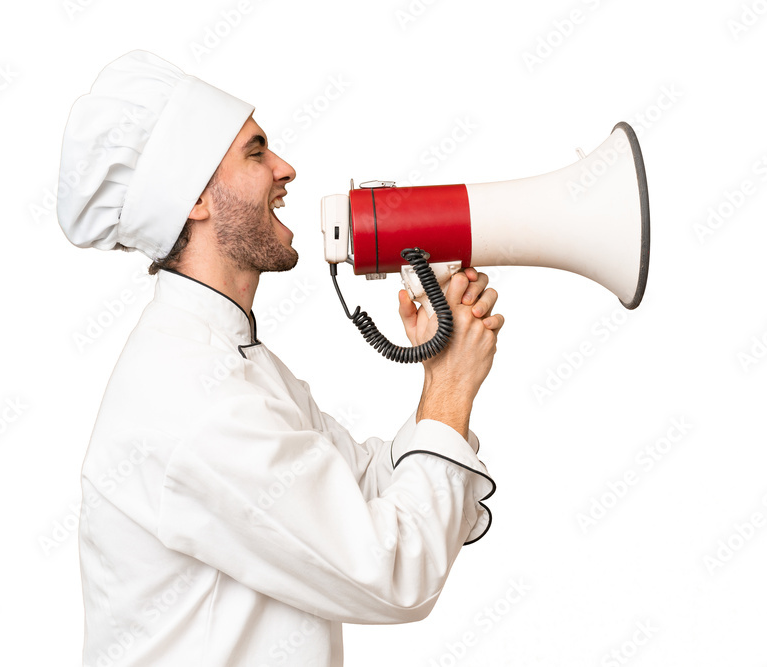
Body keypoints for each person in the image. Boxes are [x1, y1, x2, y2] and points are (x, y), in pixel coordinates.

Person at [56, 50, 505, 667]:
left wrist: (439, 373)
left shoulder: (227, 361)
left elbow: (364, 487)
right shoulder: (194, 396)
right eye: (256, 152)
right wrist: (451, 392)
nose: (285, 169)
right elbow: (392, 571)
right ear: (194, 199)